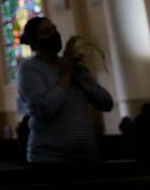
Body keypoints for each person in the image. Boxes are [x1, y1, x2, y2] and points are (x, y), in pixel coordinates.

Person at [17, 17, 113, 163]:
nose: (54, 34)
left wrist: (80, 80)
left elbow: (106, 103)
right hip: (50, 158)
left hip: (87, 155)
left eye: (54, 29)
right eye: (46, 32)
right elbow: (44, 109)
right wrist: (66, 75)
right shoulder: (29, 69)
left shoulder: (74, 67)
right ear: (34, 42)